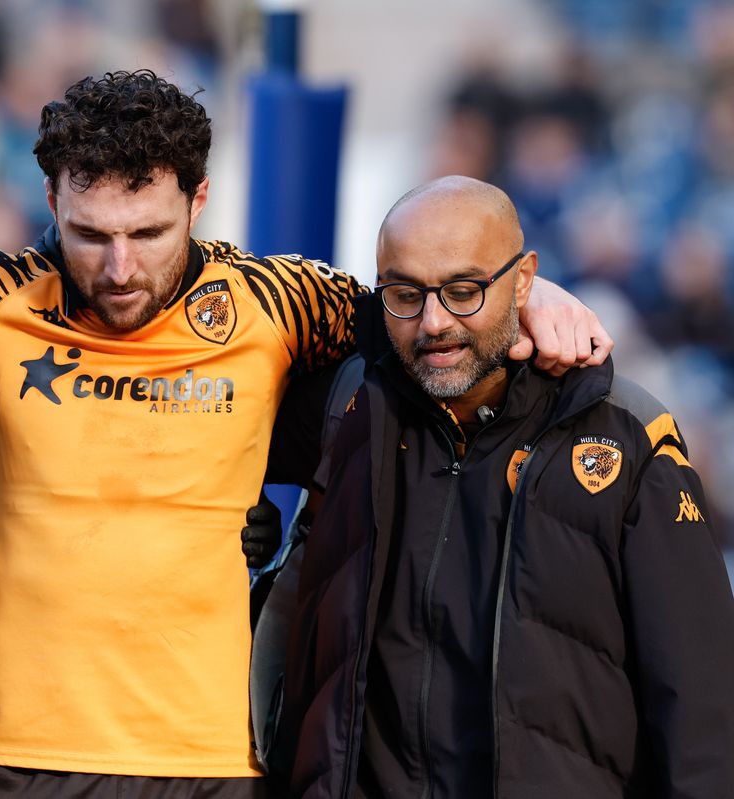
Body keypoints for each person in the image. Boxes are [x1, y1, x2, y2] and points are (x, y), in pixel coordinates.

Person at [0, 72, 611, 797]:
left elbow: (426, 311)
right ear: (51, 205)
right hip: (7, 760)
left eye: (148, 234)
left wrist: (533, 299)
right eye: (90, 233)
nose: (118, 268)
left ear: (198, 201)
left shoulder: (275, 299)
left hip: (210, 761)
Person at [276, 175, 734, 798]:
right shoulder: (349, 406)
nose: (434, 321)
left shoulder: (628, 437)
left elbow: (702, 709)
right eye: (405, 294)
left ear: (523, 281)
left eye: (464, 291)